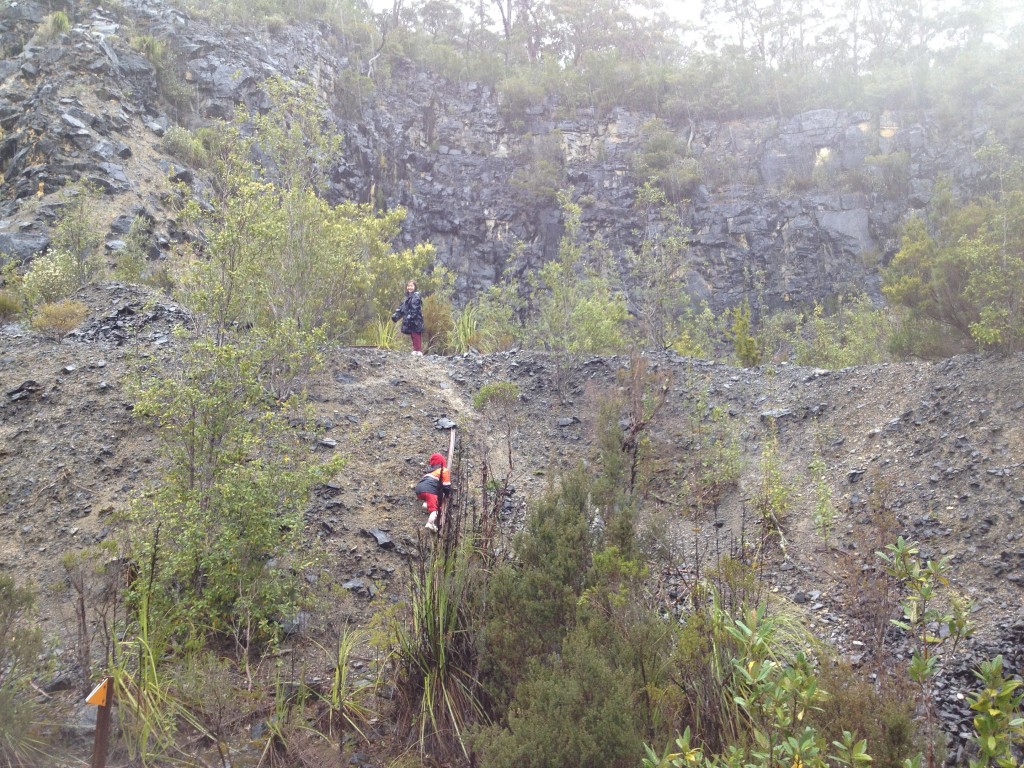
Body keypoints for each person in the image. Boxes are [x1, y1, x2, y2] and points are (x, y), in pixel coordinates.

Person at [415, 452, 452, 532]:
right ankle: (430, 523)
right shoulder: (443, 470)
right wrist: (448, 494)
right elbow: (446, 485)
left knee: (430, 494)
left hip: (419, 489)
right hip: (429, 490)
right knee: (436, 510)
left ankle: (426, 504)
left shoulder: (431, 472)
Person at [391, 280, 424, 355]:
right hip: (411, 319)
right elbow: (402, 308)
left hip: (416, 320)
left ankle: (418, 351)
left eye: (411, 286)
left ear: (415, 287)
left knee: (416, 334)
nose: (410, 287)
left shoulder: (416, 296)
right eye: (408, 286)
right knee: (413, 334)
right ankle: (415, 350)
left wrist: (411, 316)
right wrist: (396, 315)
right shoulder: (407, 297)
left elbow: (415, 308)